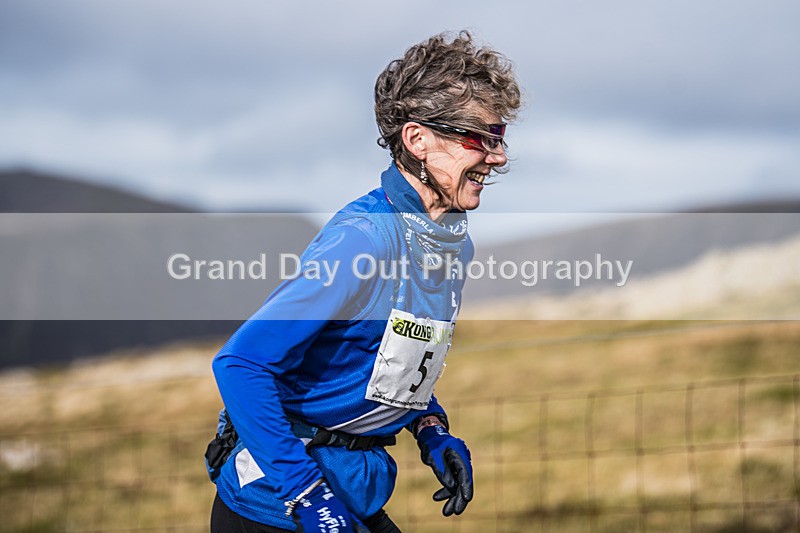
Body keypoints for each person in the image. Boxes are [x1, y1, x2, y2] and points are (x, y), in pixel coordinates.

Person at [206, 30, 521, 532]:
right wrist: (306, 495)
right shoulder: (364, 241)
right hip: (277, 505)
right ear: (417, 140)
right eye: (479, 138)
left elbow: (391, 357)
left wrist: (430, 428)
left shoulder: (451, 245)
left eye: (499, 136)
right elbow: (241, 365)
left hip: (354, 491)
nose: (497, 155)